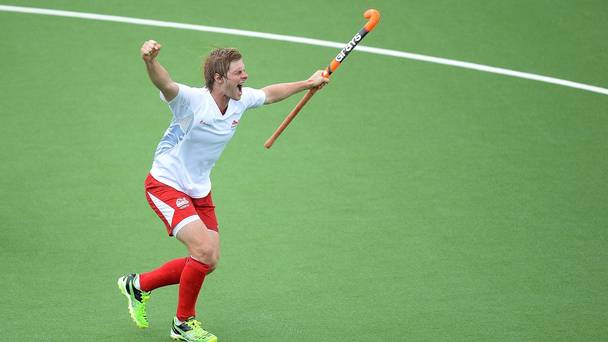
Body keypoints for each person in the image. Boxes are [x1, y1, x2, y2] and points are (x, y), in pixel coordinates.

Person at [117, 39, 329, 342]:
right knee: (202, 251)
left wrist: (308, 82)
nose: (245, 76)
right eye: (238, 72)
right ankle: (183, 323)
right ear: (219, 79)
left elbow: (270, 94)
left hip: (199, 189)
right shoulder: (191, 100)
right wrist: (150, 61)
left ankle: (138, 285)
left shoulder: (239, 99)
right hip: (166, 183)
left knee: (209, 260)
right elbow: (165, 84)